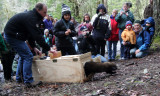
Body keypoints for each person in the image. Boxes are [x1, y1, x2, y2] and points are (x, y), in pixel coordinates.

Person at [4, 3, 54, 87]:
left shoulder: (34, 18)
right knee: (28, 55)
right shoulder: (31, 18)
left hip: (17, 35)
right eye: (44, 12)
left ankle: (19, 78)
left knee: (23, 55)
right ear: (38, 10)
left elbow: (30, 35)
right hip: (12, 35)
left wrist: (34, 47)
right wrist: (49, 48)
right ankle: (28, 81)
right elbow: (37, 36)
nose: (46, 15)